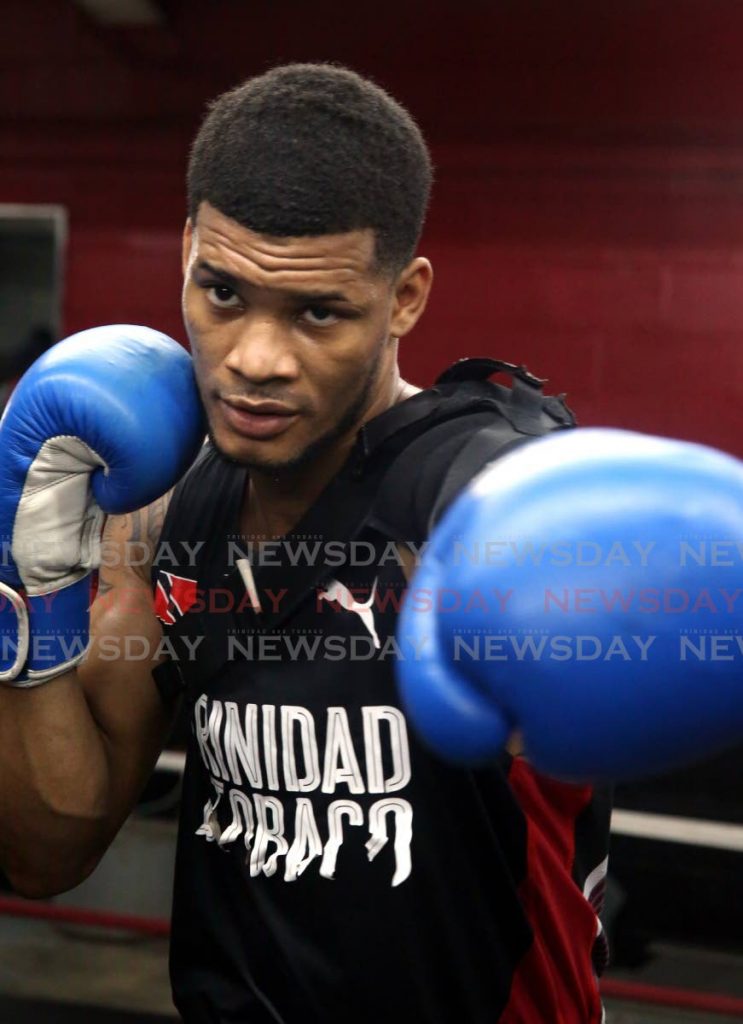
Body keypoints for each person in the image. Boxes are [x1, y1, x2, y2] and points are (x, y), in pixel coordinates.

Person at [0, 62, 643, 1023]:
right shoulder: (170, 514)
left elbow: (551, 547)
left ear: (406, 297)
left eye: (317, 312)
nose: (256, 360)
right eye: (222, 293)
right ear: (185, 253)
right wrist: (33, 582)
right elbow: (49, 849)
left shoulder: (468, 488)